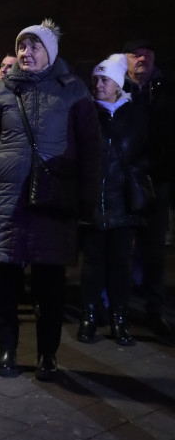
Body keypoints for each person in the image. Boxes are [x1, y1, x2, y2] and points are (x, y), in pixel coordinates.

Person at [0, 19, 100, 380]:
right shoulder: (1, 91)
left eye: (34, 47)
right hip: (8, 202)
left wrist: (89, 199)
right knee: (6, 284)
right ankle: (7, 350)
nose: (26, 53)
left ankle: (47, 354)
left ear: (50, 52)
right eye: (22, 47)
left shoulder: (73, 91)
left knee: (50, 285)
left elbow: (91, 149)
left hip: (53, 203)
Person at [78, 54, 151, 346]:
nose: (97, 84)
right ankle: (89, 316)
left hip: (124, 201)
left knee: (121, 264)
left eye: (104, 79)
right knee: (92, 264)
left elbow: (146, 153)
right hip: (93, 201)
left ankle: (120, 318)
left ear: (118, 85)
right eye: (95, 79)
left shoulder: (134, 115)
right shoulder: (85, 113)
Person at [122, 39, 175, 345]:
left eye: (147, 54)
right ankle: (117, 306)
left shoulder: (167, 91)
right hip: (123, 178)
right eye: (136, 54)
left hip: (157, 178)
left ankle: (154, 308)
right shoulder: (114, 87)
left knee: (154, 249)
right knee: (119, 245)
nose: (142, 59)